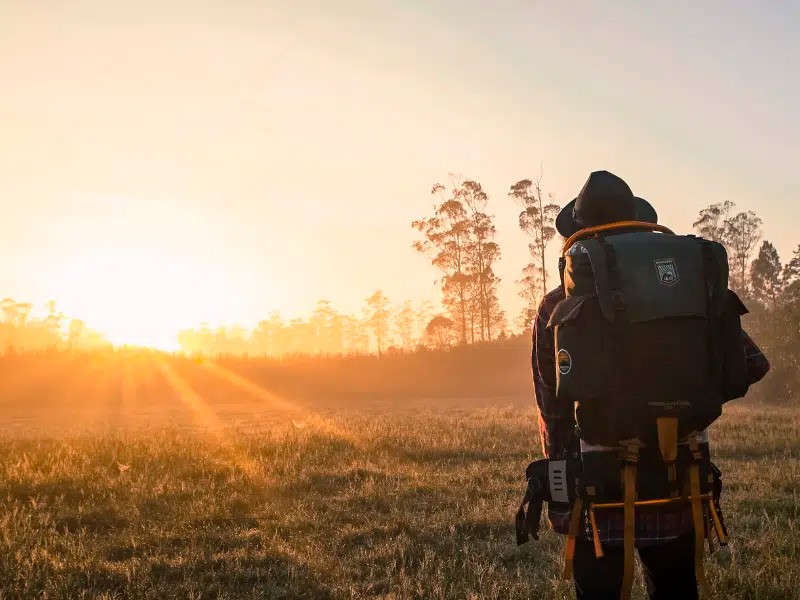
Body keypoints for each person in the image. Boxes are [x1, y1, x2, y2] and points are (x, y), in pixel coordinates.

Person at [531, 171, 770, 600]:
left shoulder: (556, 305)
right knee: (677, 589)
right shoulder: (690, 293)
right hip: (680, 474)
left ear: (581, 235)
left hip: (596, 487)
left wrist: (560, 482)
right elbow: (752, 365)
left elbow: (552, 404)